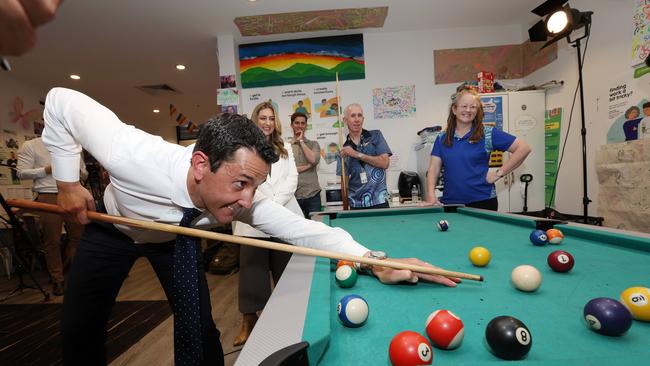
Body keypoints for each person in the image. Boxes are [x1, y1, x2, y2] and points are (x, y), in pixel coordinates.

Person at [42, 88, 459, 365]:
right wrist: (66, 183)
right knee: (80, 327)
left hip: (171, 241)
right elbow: (60, 100)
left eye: (254, 186)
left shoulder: (242, 196)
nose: (247, 200)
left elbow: (302, 229)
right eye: (241, 183)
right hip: (111, 232)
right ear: (202, 165)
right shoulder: (129, 152)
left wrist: (371, 260)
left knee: (200, 327)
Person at [231, 101, 302, 346]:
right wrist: (264, 204)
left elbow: (292, 179)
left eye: (271, 118)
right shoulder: (241, 148)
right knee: (252, 273)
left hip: (283, 214)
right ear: (255, 120)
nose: (268, 122)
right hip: (252, 216)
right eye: (263, 118)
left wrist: (274, 204)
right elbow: (241, 180)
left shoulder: (286, 148)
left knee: (286, 272)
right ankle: (249, 322)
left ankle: (288, 321)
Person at [424, 88, 531, 211]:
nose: (468, 110)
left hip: (483, 202)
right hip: (451, 202)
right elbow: (434, 168)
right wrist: (431, 195)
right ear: (454, 109)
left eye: (473, 107)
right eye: (464, 106)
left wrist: (498, 173)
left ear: (477, 111)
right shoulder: (442, 137)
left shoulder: (488, 134)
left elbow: (524, 148)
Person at [16, 137, 87, 295]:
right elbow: (21, 173)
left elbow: (85, 173)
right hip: (47, 195)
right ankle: (58, 280)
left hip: (73, 194)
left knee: (78, 239)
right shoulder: (31, 145)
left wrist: (80, 172)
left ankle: (78, 278)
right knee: (52, 240)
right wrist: (46, 170)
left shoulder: (74, 145)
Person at [337, 103, 392, 209]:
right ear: (345, 120)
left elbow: (385, 163)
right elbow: (344, 185)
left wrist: (356, 154)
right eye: (353, 116)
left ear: (363, 119)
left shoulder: (375, 136)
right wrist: (345, 209)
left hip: (379, 201)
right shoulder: (344, 151)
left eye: (359, 115)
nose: (357, 119)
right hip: (356, 205)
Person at [289, 112, 322, 218]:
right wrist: (308, 166)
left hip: (313, 196)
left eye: (303, 123)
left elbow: (313, 159)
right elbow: (288, 169)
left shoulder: (314, 144)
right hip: (293, 197)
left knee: (317, 229)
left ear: (306, 126)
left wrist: (301, 141)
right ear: (292, 125)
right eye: (297, 123)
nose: (300, 126)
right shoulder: (286, 147)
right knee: (295, 232)